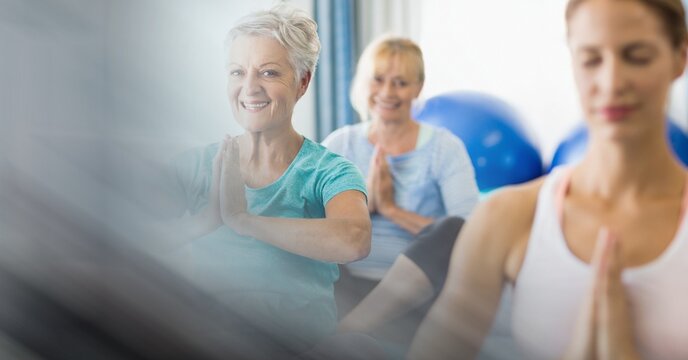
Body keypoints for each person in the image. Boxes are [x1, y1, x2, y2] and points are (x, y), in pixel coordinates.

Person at [409, 0, 688, 359]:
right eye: (591, 59)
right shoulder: (506, 217)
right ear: (572, 61)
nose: (612, 81)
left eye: (637, 56)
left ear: (680, 57)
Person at [164, 5, 371, 356]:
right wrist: (207, 219)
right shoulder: (195, 166)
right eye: (237, 72)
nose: (250, 88)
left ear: (302, 82)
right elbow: (128, 240)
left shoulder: (329, 171)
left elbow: (354, 240)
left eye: (269, 72)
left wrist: (244, 221)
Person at [322, 36, 479, 320]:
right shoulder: (340, 145)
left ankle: (348, 331)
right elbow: (311, 225)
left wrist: (393, 210)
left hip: (412, 294)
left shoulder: (445, 148)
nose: (387, 92)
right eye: (378, 79)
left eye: (401, 83)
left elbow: (472, 236)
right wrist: (365, 205)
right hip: (343, 283)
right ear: (364, 82)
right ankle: (352, 331)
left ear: (418, 87)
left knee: (454, 228)